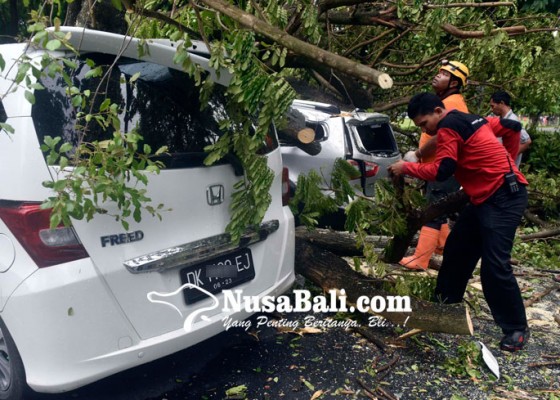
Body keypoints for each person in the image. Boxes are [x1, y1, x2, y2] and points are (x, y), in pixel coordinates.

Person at [388, 93, 530, 352]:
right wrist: (505, 161)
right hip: (484, 198)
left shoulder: (449, 127)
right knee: (458, 248)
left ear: (439, 111)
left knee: (494, 265)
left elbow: (443, 170)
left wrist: (405, 168)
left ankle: (516, 329)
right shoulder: (474, 119)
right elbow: (512, 127)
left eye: (424, 123)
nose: (425, 129)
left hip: (504, 198)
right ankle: (444, 305)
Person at [400, 60, 470, 270]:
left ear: (455, 82)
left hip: (444, 166)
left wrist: (418, 153)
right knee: (438, 208)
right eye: (438, 72)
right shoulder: (446, 101)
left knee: (432, 211)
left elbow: (442, 137)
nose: (437, 76)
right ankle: (443, 246)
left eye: (444, 74)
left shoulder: (454, 103)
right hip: (436, 165)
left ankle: (420, 259)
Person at [490, 91, 532, 167]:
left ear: (501, 103)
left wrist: (508, 158)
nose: (492, 109)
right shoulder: (502, 120)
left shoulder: (512, 120)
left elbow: (527, 141)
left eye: (493, 106)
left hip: (508, 168)